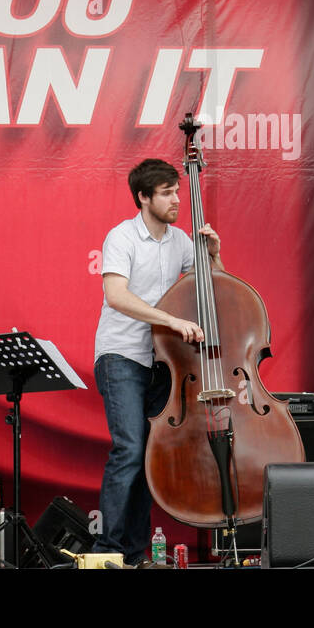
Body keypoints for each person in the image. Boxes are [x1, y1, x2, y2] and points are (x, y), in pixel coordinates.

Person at [92, 159, 221, 564]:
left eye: (177, 191)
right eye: (166, 193)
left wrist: (214, 256)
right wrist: (171, 320)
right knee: (130, 449)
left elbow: (217, 293)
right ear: (143, 197)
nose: (176, 200)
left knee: (151, 457)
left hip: (164, 364)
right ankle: (108, 551)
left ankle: (133, 553)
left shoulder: (183, 241)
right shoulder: (122, 237)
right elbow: (117, 296)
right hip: (122, 356)